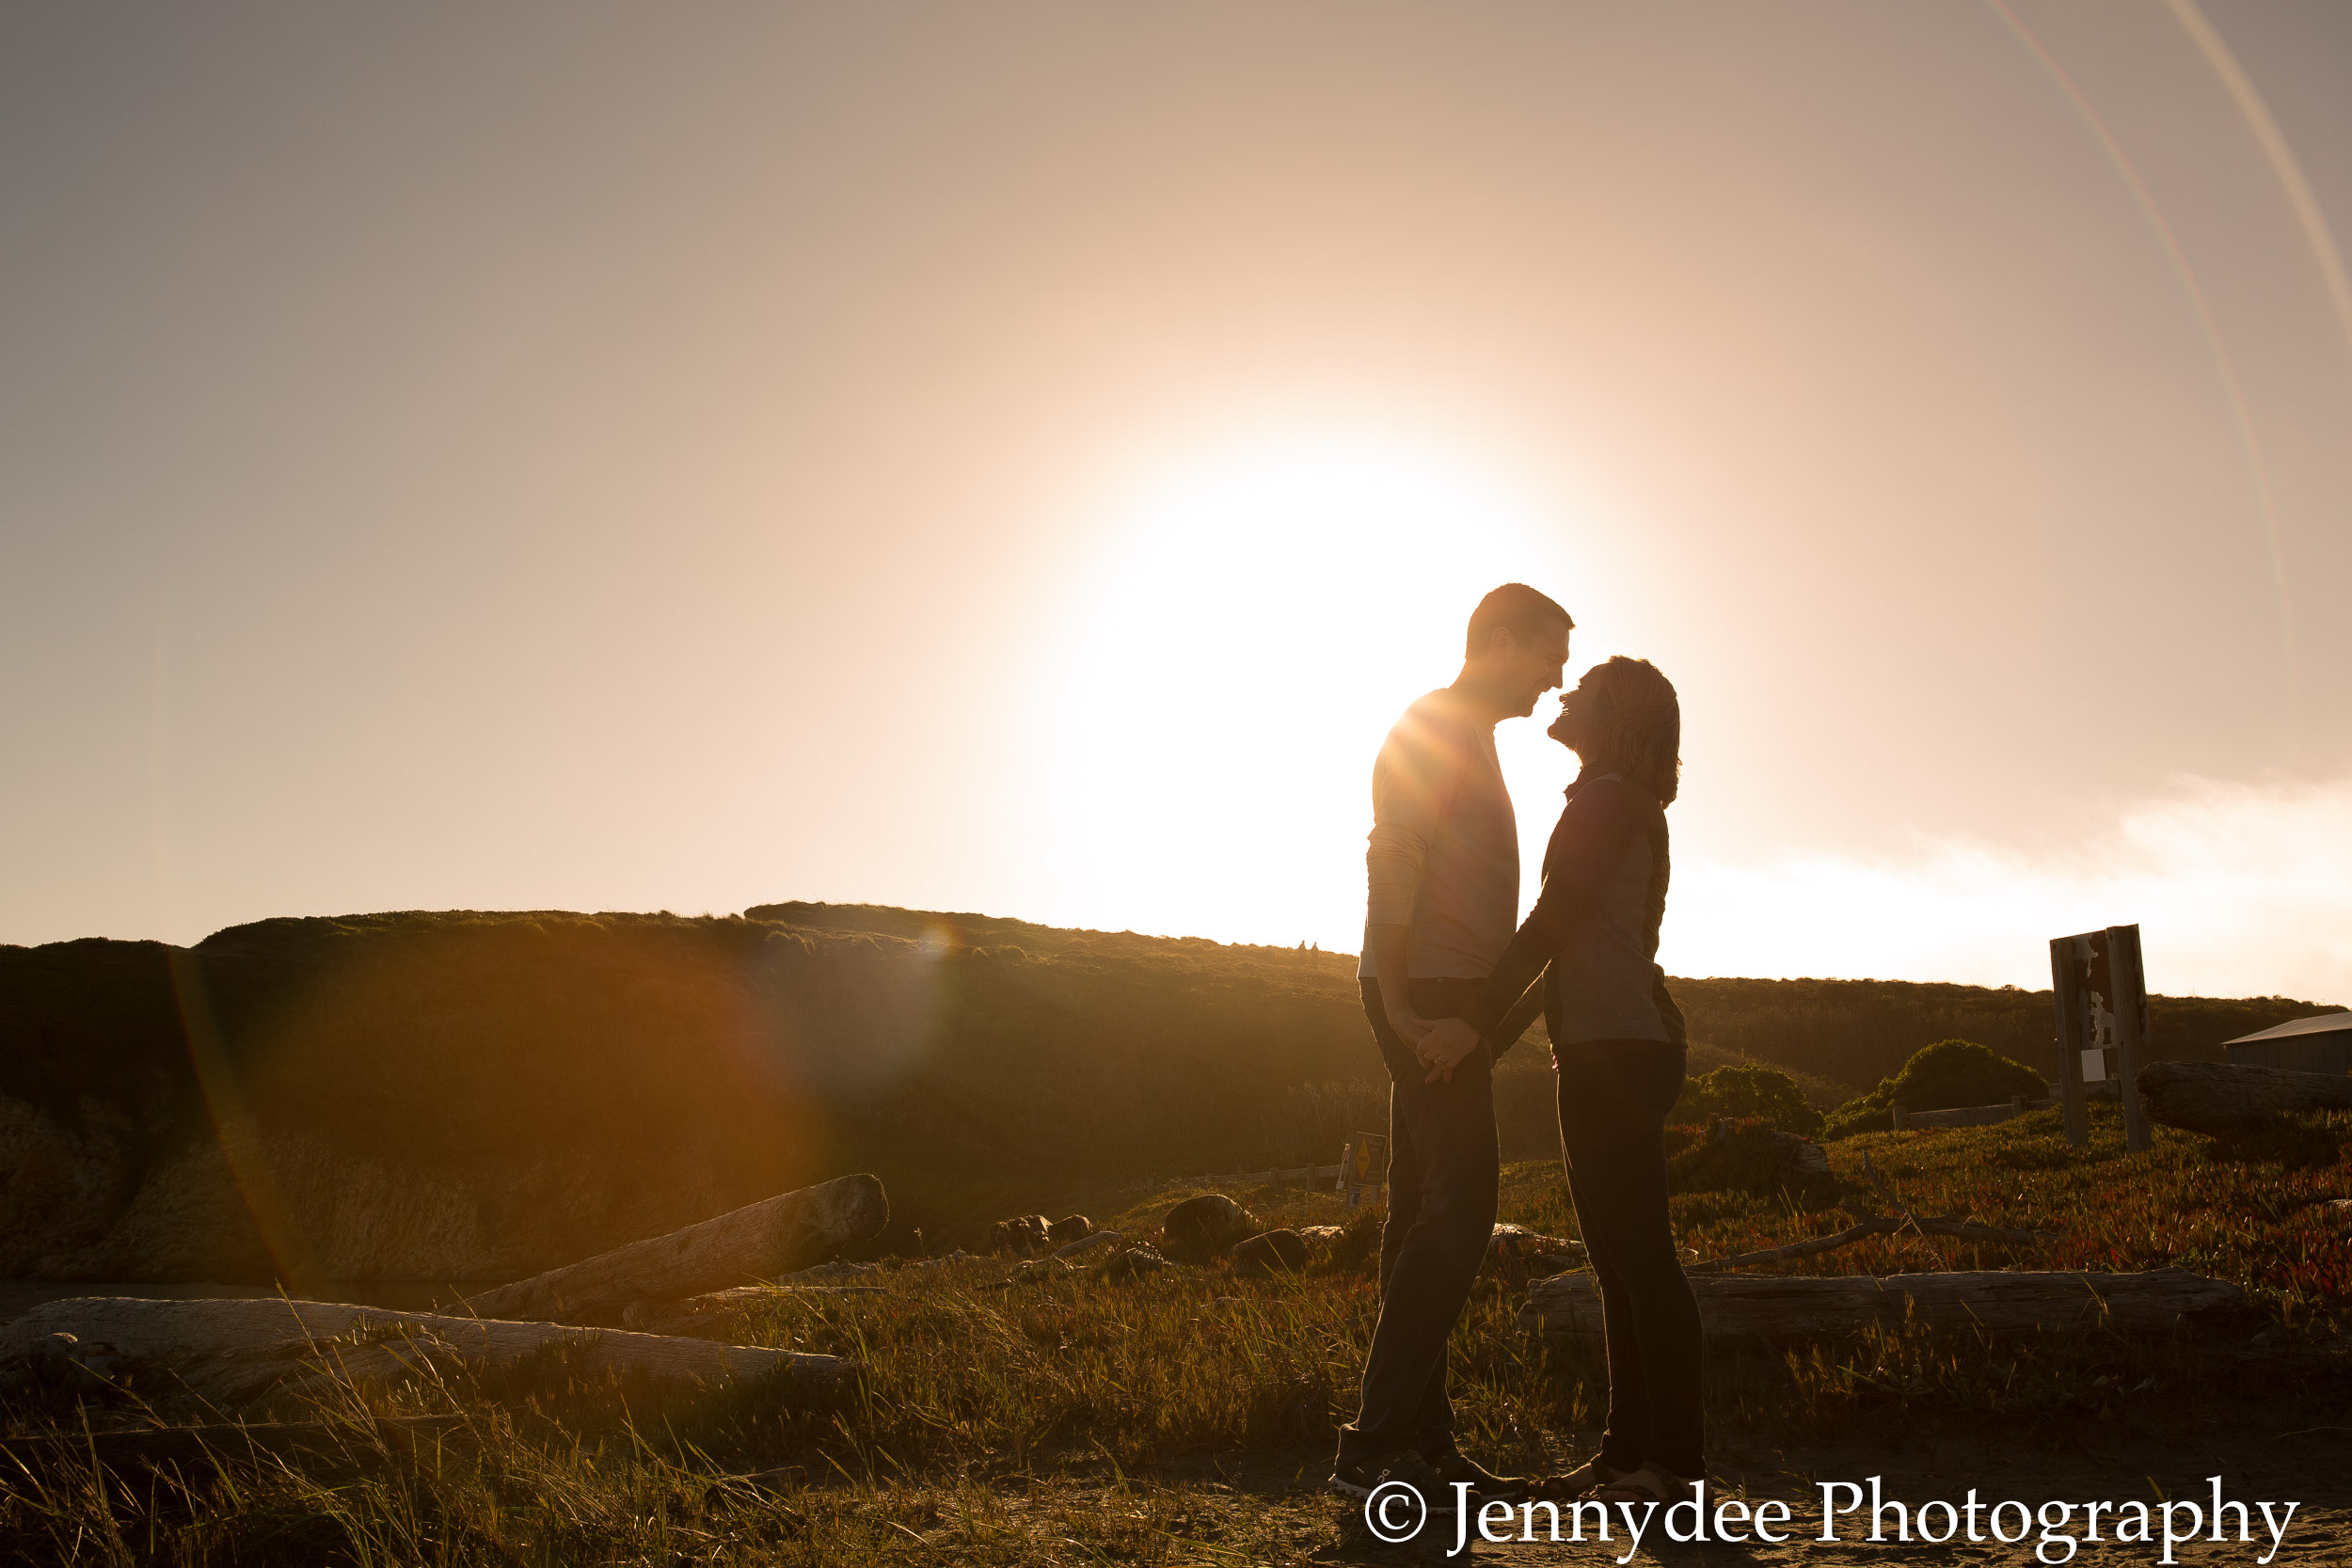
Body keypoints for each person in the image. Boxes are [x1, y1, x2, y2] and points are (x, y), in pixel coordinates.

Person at [1417, 655, 1701, 1509]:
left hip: (1621, 1052)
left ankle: (1675, 1469)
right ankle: (1627, 1458)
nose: (1565, 691)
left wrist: (1470, 1022)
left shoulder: (1610, 800)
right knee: (1618, 1263)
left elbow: (1549, 924)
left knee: (1643, 1260)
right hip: (1602, 1049)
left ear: (1611, 713)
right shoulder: (1608, 798)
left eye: (1584, 687)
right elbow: (1566, 950)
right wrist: (1490, 1037)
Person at [1327, 583, 1573, 1510]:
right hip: (1422, 993)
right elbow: (1388, 863)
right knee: (1461, 1217)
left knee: (1416, 1219)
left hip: (1438, 994)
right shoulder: (1430, 726)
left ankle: (1420, 1444)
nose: (1556, 675)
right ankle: (1373, 1450)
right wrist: (1398, 1006)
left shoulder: (1470, 736)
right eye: (1546, 653)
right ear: (1498, 639)